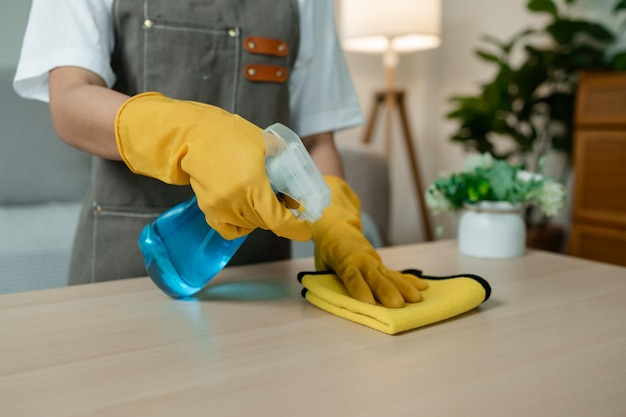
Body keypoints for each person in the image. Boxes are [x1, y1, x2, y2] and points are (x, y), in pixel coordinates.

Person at [14, 0, 427, 308]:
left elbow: (317, 141)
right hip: (119, 275)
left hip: (266, 288)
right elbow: (69, 101)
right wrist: (188, 133)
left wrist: (336, 224)